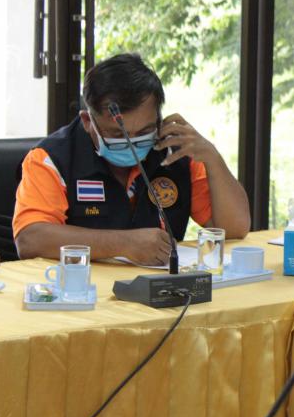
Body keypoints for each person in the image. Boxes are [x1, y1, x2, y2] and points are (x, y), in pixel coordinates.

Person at [13, 53, 250, 264]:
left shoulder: (176, 151)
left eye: (144, 132)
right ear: (87, 122)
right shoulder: (52, 158)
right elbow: (30, 239)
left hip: (164, 290)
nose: (132, 144)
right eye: (118, 134)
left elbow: (234, 230)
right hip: (81, 290)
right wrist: (123, 244)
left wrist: (212, 158)